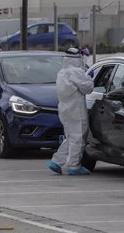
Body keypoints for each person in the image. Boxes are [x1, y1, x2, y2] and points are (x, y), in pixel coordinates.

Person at [47, 47, 95, 176]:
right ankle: (74, 166)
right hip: (76, 109)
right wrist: (90, 78)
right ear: (77, 58)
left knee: (70, 137)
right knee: (78, 137)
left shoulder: (62, 72)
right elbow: (87, 89)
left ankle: (56, 161)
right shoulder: (76, 72)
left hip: (64, 109)